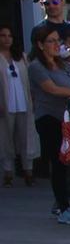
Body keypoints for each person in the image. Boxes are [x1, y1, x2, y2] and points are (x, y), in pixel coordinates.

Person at [26, 23, 70, 222]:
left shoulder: (63, 65)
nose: (56, 45)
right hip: (49, 119)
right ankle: (63, 208)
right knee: (60, 163)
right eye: (51, 41)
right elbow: (53, 89)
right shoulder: (36, 67)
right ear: (40, 44)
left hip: (69, 119)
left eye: (58, 40)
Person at [0, 26, 29, 187]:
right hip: (6, 102)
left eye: (9, 36)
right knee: (6, 138)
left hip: (23, 102)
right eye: (3, 35)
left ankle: (28, 170)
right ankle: (8, 171)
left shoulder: (21, 57)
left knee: (25, 137)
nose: (6, 39)